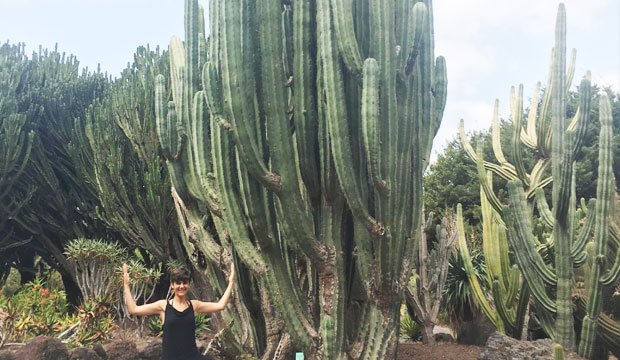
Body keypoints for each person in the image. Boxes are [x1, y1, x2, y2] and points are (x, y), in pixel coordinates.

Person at [123, 262, 235, 360]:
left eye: (185, 283)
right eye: (178, 283)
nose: (182, 286)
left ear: (188, 285)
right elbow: (134, 309)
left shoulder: (195, 306)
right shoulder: (163, 306)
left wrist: (230, 282)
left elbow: (220, 306)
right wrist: (126, 285)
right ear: (172, 285)